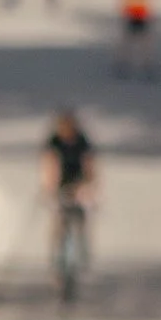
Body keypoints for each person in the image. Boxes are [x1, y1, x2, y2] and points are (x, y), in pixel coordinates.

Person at [42, 106, 98, 287]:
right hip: (61, 186)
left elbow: (90, 167)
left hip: (79, 185)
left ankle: (83, 257)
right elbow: (50, 166)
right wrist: (49, 190)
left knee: (81, 221)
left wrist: (88, 189)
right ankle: (55, 264)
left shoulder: (82, 142)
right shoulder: (54, 142)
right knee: (58, 223)